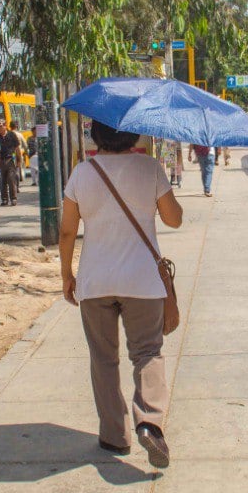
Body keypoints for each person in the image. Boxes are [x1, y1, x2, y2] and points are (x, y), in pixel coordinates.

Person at [60, 120, 184, 468]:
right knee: (147, 352)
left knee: (103, 357)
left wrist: (66, 274)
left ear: (96, 136)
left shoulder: (82, 173)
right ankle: (150, 422)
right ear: (133, 135)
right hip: (142, 281)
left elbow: (68, 231)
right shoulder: (150, 168)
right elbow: (174, 220)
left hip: (95, 281)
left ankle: (115, 436)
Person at [0, 120, 25, 206]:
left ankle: (13, 198)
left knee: (11, 179)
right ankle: (4, 199)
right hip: (0, 161)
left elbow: (17, 148)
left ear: (5, 126)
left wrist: (19, 161)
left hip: (10, 160)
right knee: (2, 181)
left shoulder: (11, 135)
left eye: (1, 125)